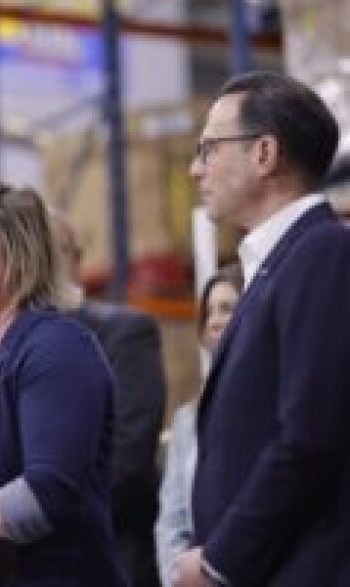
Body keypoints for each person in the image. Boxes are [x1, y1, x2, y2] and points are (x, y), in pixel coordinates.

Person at [174, 71, 350, 586]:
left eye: (208, 150)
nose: (194, 169)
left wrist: (218, 561)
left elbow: (310, 433)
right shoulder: (276, 264)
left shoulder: (323, 253)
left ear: (264, 154)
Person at [0, 208, 166, 586]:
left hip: (84, 558)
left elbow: (126, 459)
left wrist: (29, 518)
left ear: (76, 261)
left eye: (51, 250)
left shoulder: (122, 335)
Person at [155, 265, 242, 586]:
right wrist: (177, 577)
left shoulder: (277, 409)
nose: (215, 320)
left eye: (227, 309)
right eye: (208, 313)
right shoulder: (187, 419)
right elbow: (172, 518)